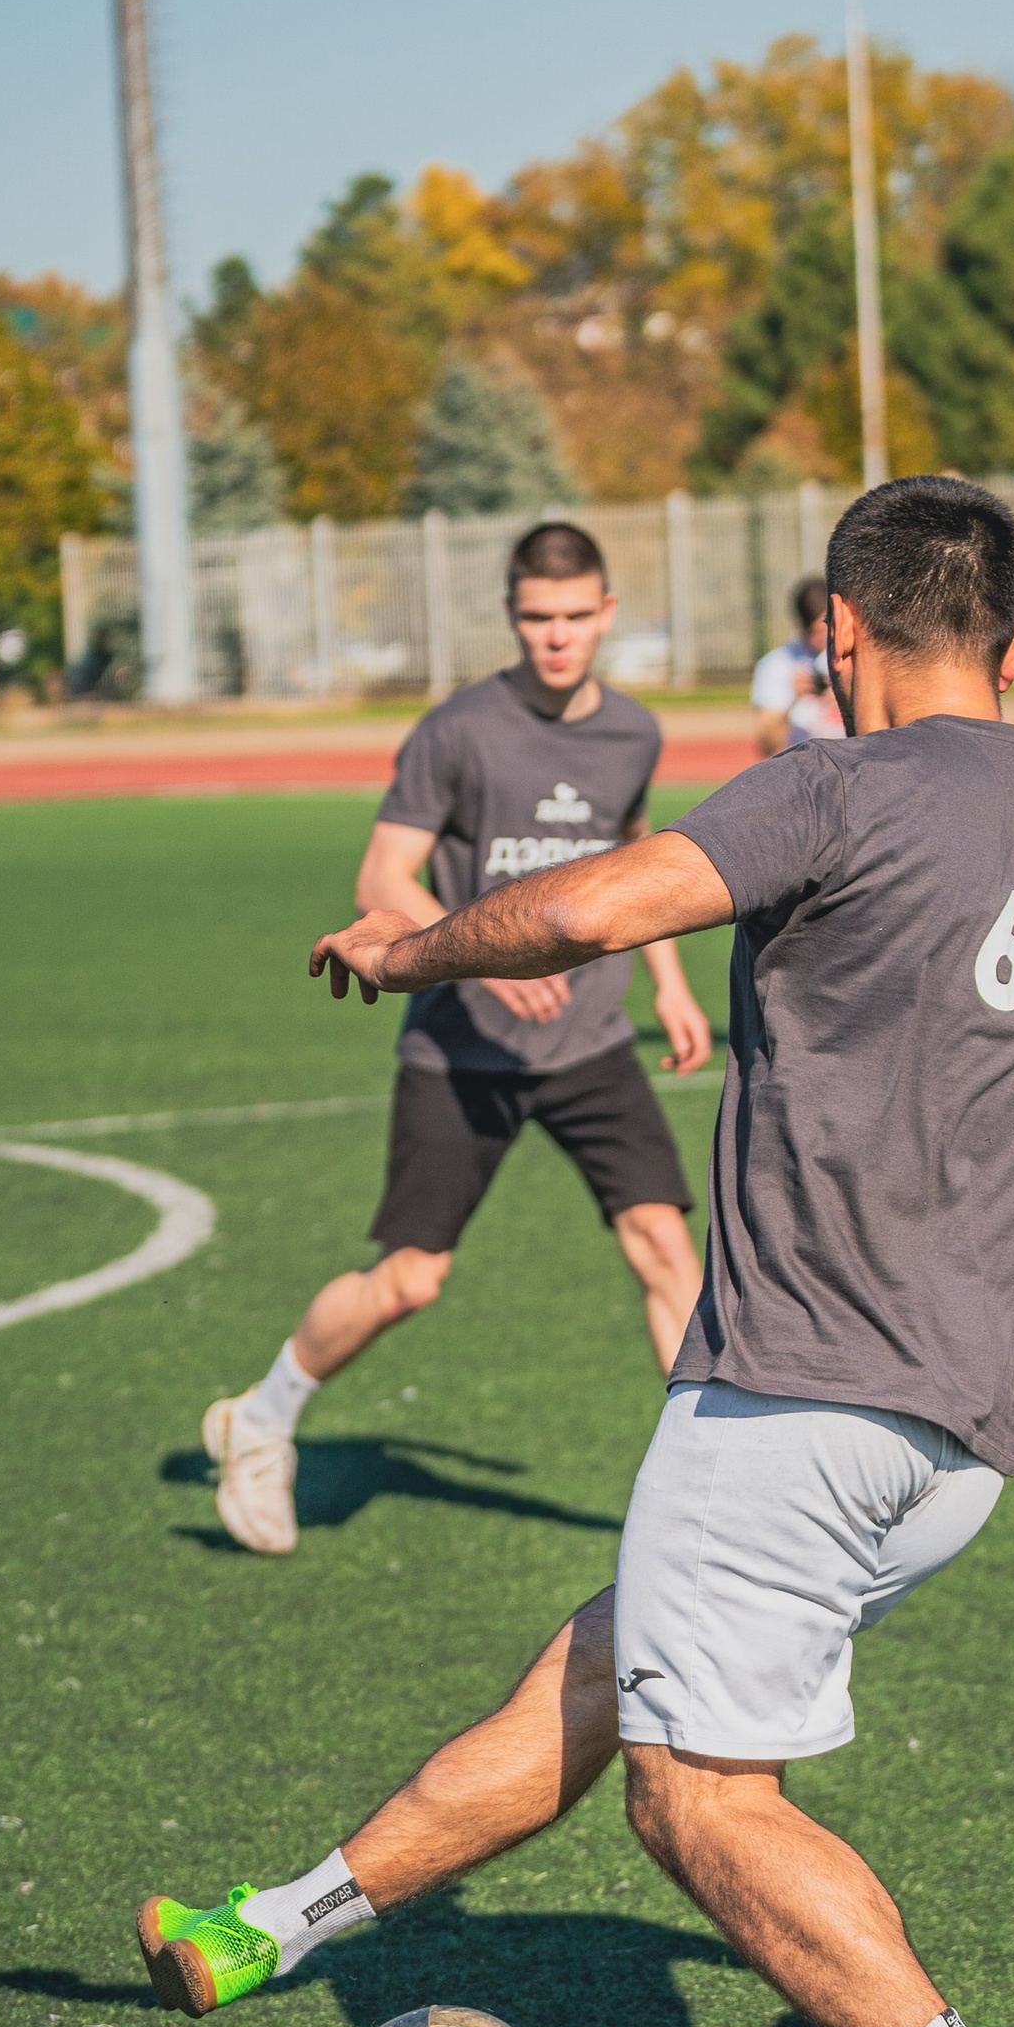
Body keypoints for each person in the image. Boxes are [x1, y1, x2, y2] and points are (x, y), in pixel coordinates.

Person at [137, 477, 1014, 2027]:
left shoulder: (832, 789)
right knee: (610, 1673)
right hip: (959, 1446)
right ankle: (270, 1928)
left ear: (840, 631)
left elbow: (588, 908)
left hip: (789, 1404)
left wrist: (411, 941)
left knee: (691, 1801)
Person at [201, 520, 715, 1554]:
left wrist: (670, 981)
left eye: (575, 619)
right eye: (537, 620)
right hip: (462, 1046)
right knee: (411, 1278)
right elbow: (380, 875)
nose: (557, 639)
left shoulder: (633, 733)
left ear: (606, 614)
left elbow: (632, 860)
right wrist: (478, 954)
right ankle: (262, 1419)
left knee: (664, 1241)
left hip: (589, 1040)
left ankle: (714, 1492)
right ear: (512, 617)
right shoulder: (458, 729)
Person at [748, 574, 845, 757]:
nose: (825, 635)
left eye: (829, 624)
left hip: (852, 761)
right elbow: (766, 746)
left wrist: (843, 697)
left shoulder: (853, 654)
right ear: (802, 626)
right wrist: (792, 698)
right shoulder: (777, 664)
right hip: (807, 764)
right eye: (817, 629)